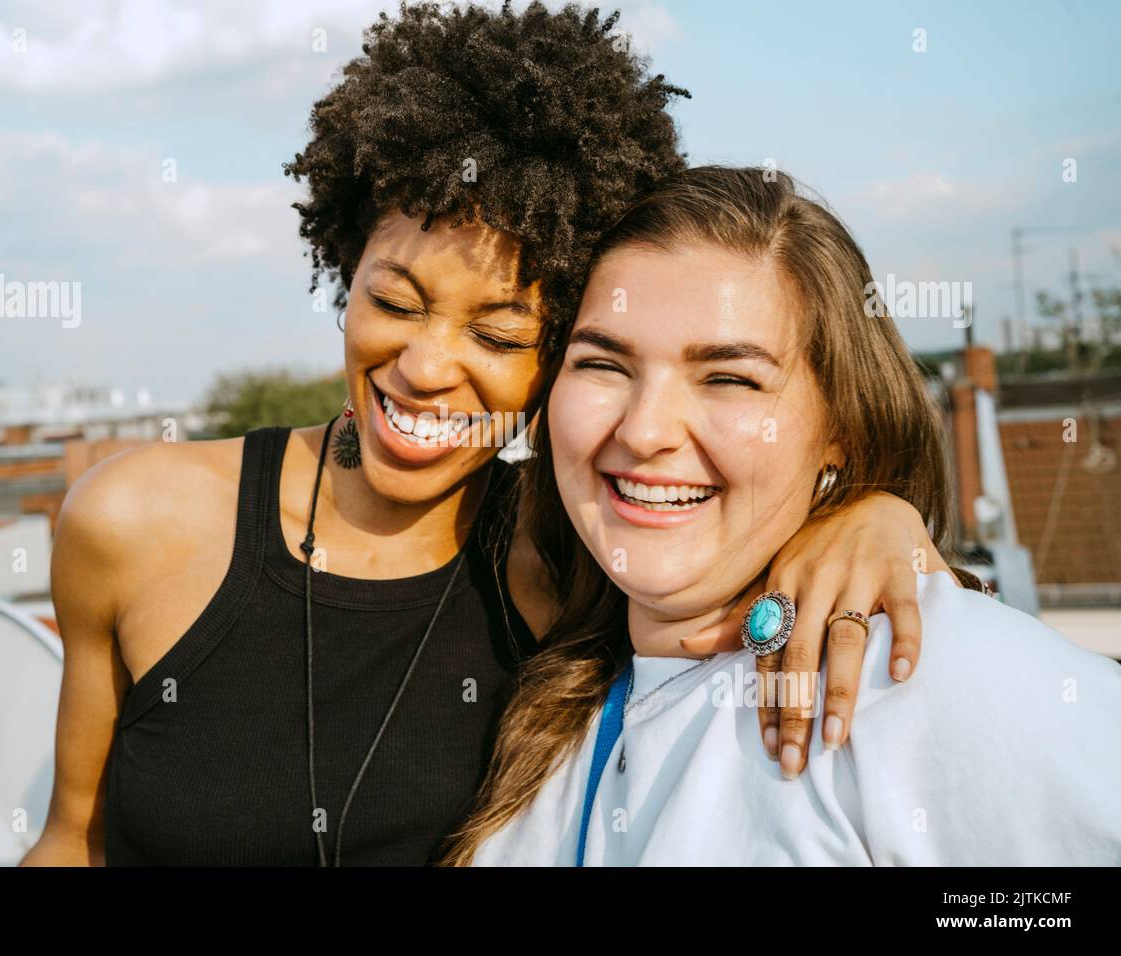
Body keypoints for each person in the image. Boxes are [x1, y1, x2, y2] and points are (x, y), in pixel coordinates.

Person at [23, 6, 967, 868]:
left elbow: (756, 516)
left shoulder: (585, 559)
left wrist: (873, 514)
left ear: (564, 355)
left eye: (498, 335)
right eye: (392, 301)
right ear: (342, 269)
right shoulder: (134, 521)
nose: (427, 367)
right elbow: (73, 844)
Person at [450, 166, 1121, 866]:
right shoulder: (545, 689)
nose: (645, 432)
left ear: (841, 429)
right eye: (604, 364)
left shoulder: (920, 672)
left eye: (730, 378)